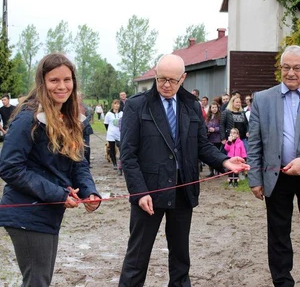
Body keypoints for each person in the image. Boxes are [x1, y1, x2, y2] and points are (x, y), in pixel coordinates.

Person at [118, 54, 249, 287]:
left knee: (180, 257)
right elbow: (128, 155)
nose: (166, 85)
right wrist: (139, 192)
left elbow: (201, 145)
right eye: (161, 79)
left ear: (183, 78)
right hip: (148, 193)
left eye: (172, 80)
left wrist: (225, 161)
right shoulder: (137, 105)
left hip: (182, 189)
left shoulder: (191, 105)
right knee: (137, 256)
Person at [0, 53, 101, 286]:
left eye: (67, 80)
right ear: (42, 82)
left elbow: (79, 162)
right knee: (37, 282)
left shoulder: (73, 118)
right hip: (26, 214)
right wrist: (58, 194)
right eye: (54, 80)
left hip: (48, 213)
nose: (62, 86)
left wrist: (89, 192)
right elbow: (10, 167)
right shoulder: (28, 118)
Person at [248, 45, 300, 286]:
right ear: (280, 69)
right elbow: (255, 142)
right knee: (279, 233)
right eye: (286, 67)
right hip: (276, 175)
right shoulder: (262, 99)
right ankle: (282, 281)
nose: (291, 73)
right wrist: (255, 179)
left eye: (297, 68)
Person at [104, 99, 123, 169]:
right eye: (115, 104)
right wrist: (109, 131)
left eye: (118, 104)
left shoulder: (122, 113)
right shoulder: (109, 114)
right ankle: (114, 163)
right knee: (112, 149)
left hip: (120, 133)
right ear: (113, 105)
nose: (116, 105)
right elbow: (106, 124)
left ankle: (121, 162)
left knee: (122, 148)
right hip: (111, 133)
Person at [205, 101, 222, 177]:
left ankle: (217, 171)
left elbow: (222, 127)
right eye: (212, 107)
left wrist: (215, 129)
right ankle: (211, 171)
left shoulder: (220, 116)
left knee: (217, 155)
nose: (214, 109)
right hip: (209, 138)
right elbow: (205, 125)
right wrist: (207, 130)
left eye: (215, 107)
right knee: (210, 155)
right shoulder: (208, 117)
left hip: (217, 139)